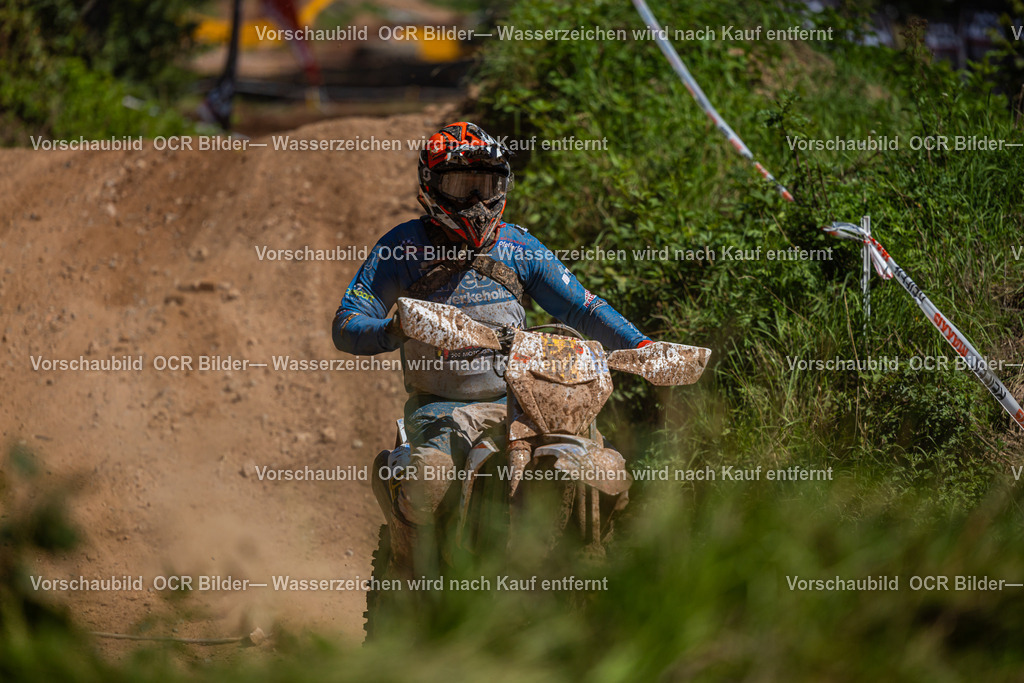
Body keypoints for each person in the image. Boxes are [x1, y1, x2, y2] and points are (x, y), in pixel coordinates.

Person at [332, 121, 651, 573]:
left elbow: (583, 307)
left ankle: (604, 576)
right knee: (430, 483)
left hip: (528, 402)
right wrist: (394, 328)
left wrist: (643, 346)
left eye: (486, 185)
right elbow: (347, 323)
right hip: (441, 409)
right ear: (431, 185)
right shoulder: (402, 248)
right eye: (461, 186)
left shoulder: (518, 246)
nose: (477, 202)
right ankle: (406, 577)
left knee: (607, 470)